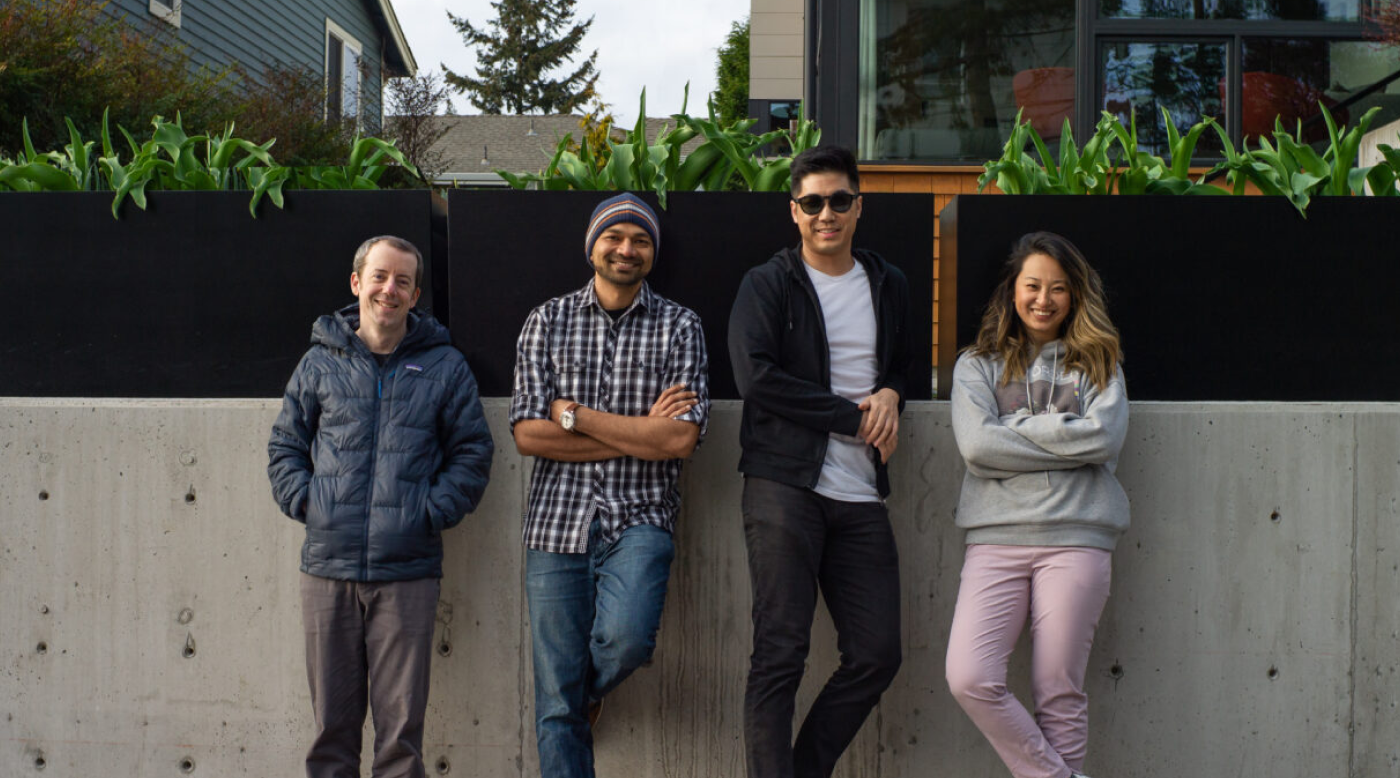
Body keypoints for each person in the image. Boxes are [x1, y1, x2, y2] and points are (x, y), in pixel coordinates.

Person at [267, 235, 494, 778]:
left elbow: (472, 453)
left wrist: (427, 513)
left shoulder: (444, 366)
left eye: (403, 282)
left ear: (415, 295)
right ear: (357, 283)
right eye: (379, 277)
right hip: (327, 568)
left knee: (399, 739)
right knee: (331, 736)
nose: (389, 290)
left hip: (407, 573)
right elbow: (285, 448)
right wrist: (312, 503)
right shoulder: (319, 361)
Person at [509, 192, 709, 778]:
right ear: (593, 244)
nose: (626, 249)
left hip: (642, 515)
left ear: (653, 252)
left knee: (626, 645)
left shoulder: (681, 326)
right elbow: (527, 435)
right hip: (555, 524)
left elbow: (680, 442)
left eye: (641, 240)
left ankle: (581, 691)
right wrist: (642, 430)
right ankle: (571, 698)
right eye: (615, 237)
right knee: (554, 705)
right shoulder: (546, 321)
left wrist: (574, 415)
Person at [728, 145, 912, 778]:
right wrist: (851, 417)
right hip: (785, 486)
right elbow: (757, 380)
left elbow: (897, 370)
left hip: (861, 495)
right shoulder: (769, 283)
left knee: (877, 653)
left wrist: (891, 393)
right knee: (780, 654)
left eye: (838, 201)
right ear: (794, 212)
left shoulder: (889, 283)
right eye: (812, 203)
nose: (826, 213)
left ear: (858, 207)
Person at [945, 231, 1129, 778]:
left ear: (1075, 296)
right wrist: (1061, 434)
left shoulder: (1101, 362)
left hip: (1077, 538)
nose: (1043, 300)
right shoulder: (976, 366)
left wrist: (1016, 429)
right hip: (995, 539)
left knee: (1058, 691)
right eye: (1032, 286)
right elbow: (977, 446)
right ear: (1012, 290)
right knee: (970, 677)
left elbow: (1104, 438)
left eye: (1057, 289)